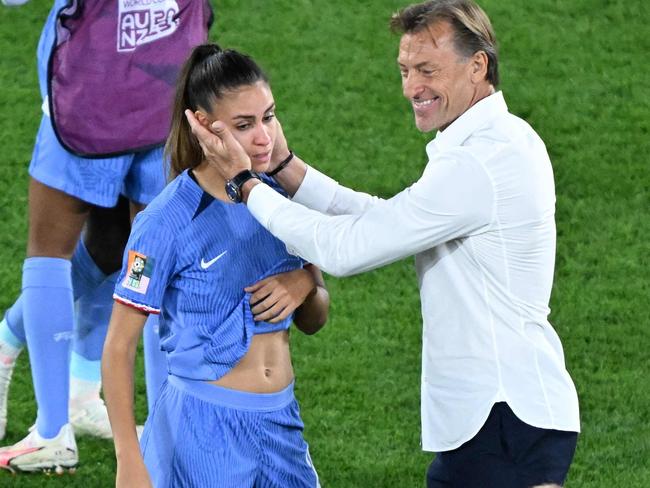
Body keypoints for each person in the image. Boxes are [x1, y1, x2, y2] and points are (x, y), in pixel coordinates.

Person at [186, 1, 581, 487]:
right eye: (405, 70)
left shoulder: (477, 163)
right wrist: (286, 167)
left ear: (477, 65)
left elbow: (348, 250)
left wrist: (245, 185)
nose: (412, 87)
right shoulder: (497, 141)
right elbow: (386, 219)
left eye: (427, 70)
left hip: (501, 416)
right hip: (506, 416)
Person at [102, 44, 329, 488]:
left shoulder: (280, 200)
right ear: (204, 126)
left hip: (281, 424)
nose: (264, 137)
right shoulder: (165, 221)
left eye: (269, 116)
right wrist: (129, 457)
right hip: (201, 432)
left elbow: (316, 319)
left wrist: (304, 282)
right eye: (244, 125)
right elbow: (117, 347)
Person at [0, 0, 211, 473]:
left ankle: (52, 432)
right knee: (149, 258)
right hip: (167, 95)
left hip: (88, 104)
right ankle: (163, 436)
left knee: (49, 256)